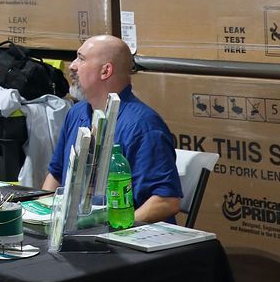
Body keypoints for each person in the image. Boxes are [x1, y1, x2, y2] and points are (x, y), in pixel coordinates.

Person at [42, 34, 182, 222]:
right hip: (78, 231)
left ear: (105, 71)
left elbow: (166, 201)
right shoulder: (76, 113)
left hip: (124, 238)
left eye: (81, 59)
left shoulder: (143, 126)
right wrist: (42, 218)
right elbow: (56, 175)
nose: (72, 66)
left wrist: (112, 230)